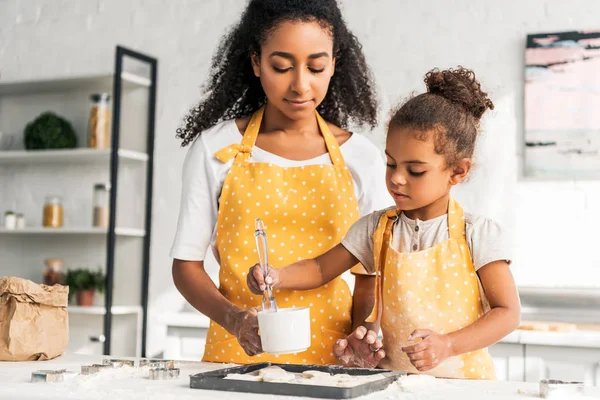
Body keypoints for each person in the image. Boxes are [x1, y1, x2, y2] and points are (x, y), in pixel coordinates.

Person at [248, 67, 521, 379]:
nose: (396, 179)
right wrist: (276, 275)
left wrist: (447, 345)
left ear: (458, 172)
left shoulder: (476, 233)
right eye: (391, 163)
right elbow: (321, 268)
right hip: (394, 386)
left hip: (464, 389)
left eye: (415, 170)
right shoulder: (376, 228)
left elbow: (507, 313)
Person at [170, 0, 392, 365]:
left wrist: (360, 335)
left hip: (331, 365)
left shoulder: (361, 158)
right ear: (256, 61)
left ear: (334, 62)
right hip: (234, 362)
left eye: (316, 67)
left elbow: (369, 276)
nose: (301, 85)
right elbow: (186, 267)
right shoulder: (215, 149)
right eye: (282, 66)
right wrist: (234, 319)